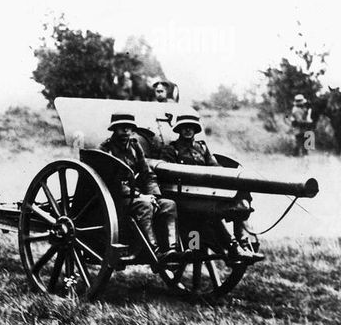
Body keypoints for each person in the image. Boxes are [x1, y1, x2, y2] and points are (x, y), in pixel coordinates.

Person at [161, 113, 261, 260]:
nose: (188, 130)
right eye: (184, 128)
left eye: (191, 128)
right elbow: (165, 175)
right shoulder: (171, 150)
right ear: (179, 130)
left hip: (205, 194)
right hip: (182, 197)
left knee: (240, 204)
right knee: (213, 211)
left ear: (196, 130)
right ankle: (233, 247)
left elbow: (216, 168)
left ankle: (244, 244)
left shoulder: (202, 148)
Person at [100, 112, 181, 262]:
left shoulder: (135, 147)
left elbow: (147, 174)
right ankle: (155, 252)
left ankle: (172, 250)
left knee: (169, 205)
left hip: (138, 196)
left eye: (129, 128)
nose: (126, 131)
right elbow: (112, 183)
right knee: (145, 205)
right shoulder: (106, 150)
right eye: (121, 128)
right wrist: (140, 196)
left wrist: (154, 196)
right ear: (114, 129)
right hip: (117, 199)